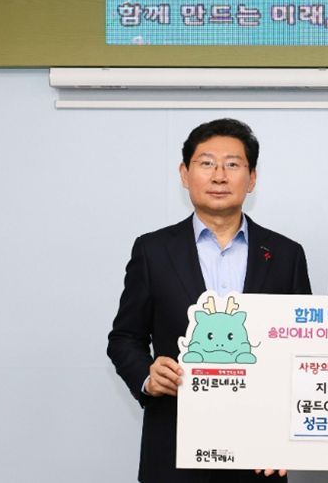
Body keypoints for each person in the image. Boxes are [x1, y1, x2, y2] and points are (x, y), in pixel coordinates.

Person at [107, 118, 311, 483]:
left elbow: (303, 348)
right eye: (206, 163)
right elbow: (124, 338)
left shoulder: (286, 254)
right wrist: (148, 376)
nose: (219, 176)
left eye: (232, 164)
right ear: (184, 174)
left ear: (252, 178)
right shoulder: (153, 251)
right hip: (174, 450)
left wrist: (290, 438)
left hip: (260, 451)